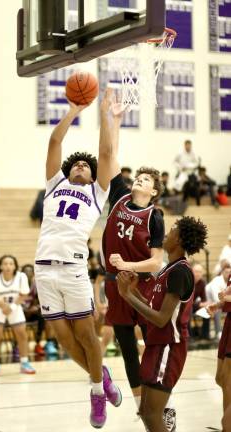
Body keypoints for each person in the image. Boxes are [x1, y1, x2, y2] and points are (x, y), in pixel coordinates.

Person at [34, 89, 121, 429]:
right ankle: (102, 376)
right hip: (44, 268)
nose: (83, 166)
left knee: (86, 335)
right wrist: (72, 111)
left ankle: (97, 392)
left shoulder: (97, 194)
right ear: (70, 171)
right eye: (78, 164)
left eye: (87, 165)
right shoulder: (54, 184)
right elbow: (54, 144)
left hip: (72, 268)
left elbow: (105, 151)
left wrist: (102, 115)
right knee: (62, 336)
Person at [100, 102, 170, 427]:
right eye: (138, 176)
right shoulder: (118, 195)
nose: (139, 180)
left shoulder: (155, 216)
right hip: (116, 284)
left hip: (141, 285)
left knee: (153, 345)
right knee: (128, 350)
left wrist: (127, 262)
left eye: (145, 179)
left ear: (153, 191)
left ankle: (160, 402)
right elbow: (111, 156)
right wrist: (114, 119)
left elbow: (156, 260)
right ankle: (144, 409)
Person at [117, 216, 208, 432]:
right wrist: (132, 291)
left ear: (180, 240)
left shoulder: (180, 271)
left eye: (172, 232)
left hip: (169, 347)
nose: (166, 235)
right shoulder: (168, 270)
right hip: (156, 346)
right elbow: (154, 310)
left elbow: (160, 319)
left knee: (151, 413)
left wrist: (127, 297)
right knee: (146, 412)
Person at [0, 255, 35, 376]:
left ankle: (24, 363)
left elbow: (24, 295)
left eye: (11, 264)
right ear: (0, 266)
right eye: (5, 264)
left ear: (15, 266)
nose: (8, 266)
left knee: (22, 335)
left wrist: (11, 307)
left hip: (15, 307)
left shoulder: (21, 277)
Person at [208, 268, 231, 432]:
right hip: (229, 323)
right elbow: (226, 298)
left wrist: (227, 296)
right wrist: (218, 305)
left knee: (228, 380)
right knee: (220, 378)